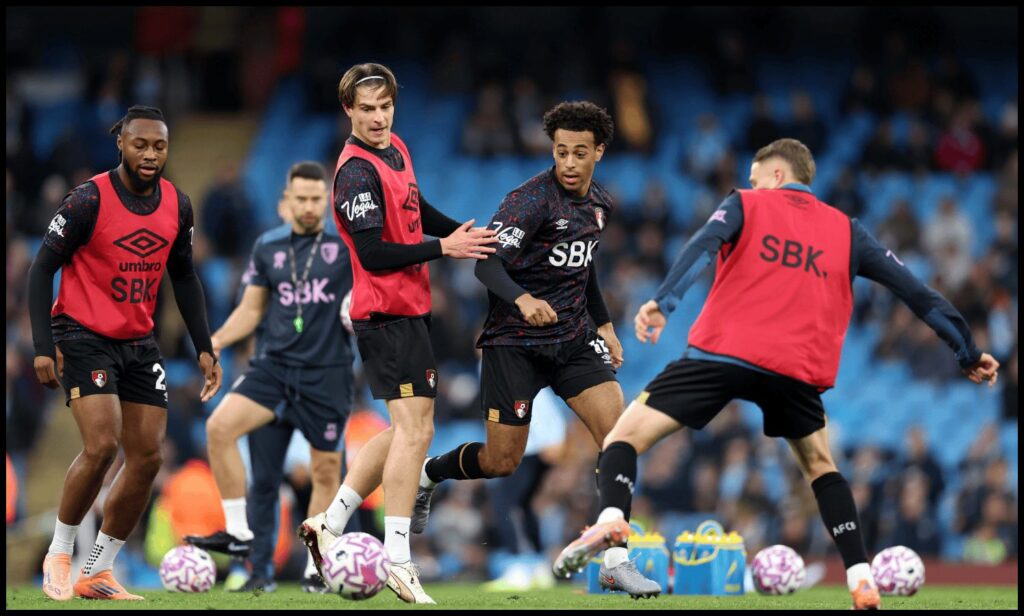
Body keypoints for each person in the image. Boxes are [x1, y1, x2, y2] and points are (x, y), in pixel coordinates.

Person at [553, 138, 1001, 610]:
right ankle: (861, 578)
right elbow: (916, 291)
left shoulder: (746, 203)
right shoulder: (849, 232)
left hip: (723, 355)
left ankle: (614, 536)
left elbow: (703, 244)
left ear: (776, 176)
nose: (749, 185)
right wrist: (967, 350)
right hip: (796, 372)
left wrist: (663, 302)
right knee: (821, 468)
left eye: (754, 177)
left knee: (622, 440)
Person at [409, 101, 657, 598]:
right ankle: (429, 473)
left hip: (571, 341)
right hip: (514, 344)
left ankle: (615, 559)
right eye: (561, 151)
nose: (568, 162)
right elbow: (485, 265)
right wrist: (522, 300)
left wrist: (604, 325)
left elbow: (583, 271)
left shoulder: (600, 205)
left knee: (620, 437)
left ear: (599, 153)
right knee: (503, 463)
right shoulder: (530, 201)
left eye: (579, 153)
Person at [297, 62, 497, 605]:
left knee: (411, 428)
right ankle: (398, 559)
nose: (379, 117)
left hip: (409, 308)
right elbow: (372, 253)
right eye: (367, 109)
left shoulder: (396, 148)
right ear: (349, 111)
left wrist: (456, 230)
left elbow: (412, 208)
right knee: (415, 432)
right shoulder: (354, 173)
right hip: (384, 313)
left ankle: (330, 521)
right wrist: (443, 249)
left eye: (385, 106)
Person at [28, 105, 222, 601]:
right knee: (102, 445)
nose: (151, 154)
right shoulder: (87, 199)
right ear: (121, 143)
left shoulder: (178, 205)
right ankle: (61, 551)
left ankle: (99, 570)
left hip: (138, 341)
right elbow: (40, 268)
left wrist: (205, 347)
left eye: (159, 146)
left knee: (149, 455)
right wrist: (42, 347)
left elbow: (184, 276)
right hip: (81, 334)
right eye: (141, 144)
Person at [183, 161, 354, 595]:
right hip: (273, 369)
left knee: (326, 468)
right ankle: (253, 562)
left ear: (327, 202)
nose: (310, 207)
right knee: (227, 436)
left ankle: (318, 569)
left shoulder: (346, 249)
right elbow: (252, 310)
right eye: (302, 199)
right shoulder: (268, 247)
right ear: (286, 202)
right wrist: (218, 339)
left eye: (318, 199)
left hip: (326, 373)